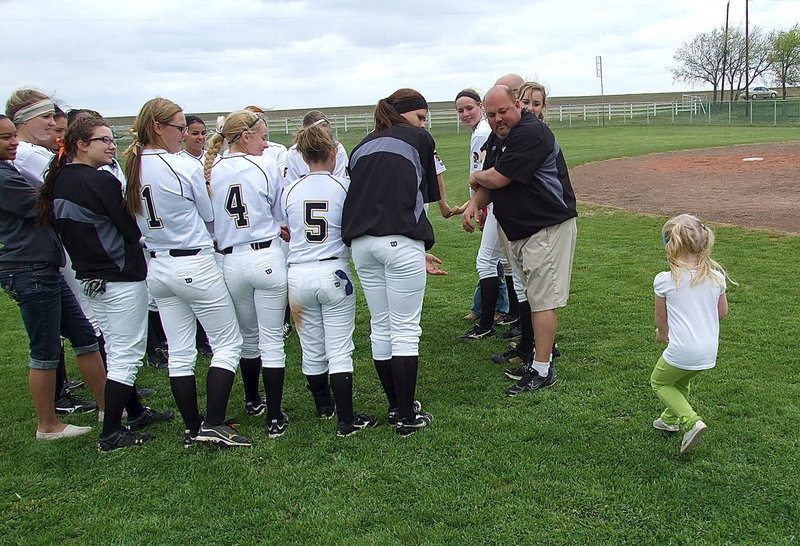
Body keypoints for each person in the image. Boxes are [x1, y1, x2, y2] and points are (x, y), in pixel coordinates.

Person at [36, 114, 173, 451]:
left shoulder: (60, 179)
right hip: (119, 277)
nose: (112, 145)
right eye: (104, 140)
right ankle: (111, 430)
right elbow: (131, 231)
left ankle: (136, 412)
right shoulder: (101, 182)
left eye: (112, 139)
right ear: (82, 145)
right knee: (126, 354)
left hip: (89, 276)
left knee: (115, 347)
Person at [124, 97, 250, 447]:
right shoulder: (180, 165)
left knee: (180, 351)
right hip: (192, 261)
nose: (184, 134)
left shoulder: (133, 165)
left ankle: (193, 426)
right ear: (157, 128)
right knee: (228, 343)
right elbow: (211, 215)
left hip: (159, 264)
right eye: (180, 128)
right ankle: (211, 423)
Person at [342, 88, 445, 436]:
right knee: (404, 329)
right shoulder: (419, 138)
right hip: (400, 241)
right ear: (408, 114)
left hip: (362, 245)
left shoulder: (360, 146)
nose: (423, 123)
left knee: (381, 326)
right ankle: (406, 416)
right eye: (420, 116)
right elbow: (428, 195)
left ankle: (396, 407)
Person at [462, 85, 577, 397]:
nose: (498, 119)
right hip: (521, 227)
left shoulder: (530, 131)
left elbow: (497, 177)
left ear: (517, 105)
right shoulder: (498, 136)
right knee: (529, 294)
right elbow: (491, 177)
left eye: (503, 112)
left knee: (542, 299)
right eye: (492, 114)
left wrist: (476, 178)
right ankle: (538, 357)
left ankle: (543, 368)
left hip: (546, 225)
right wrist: (474, 203)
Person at [0, 114, 106, 441]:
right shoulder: (3, 177)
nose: (13, 141)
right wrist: (69, 179)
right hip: (28, 268)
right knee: (45, 350)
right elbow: (43, 208)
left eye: (11, 135)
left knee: (85, 335)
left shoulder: (10, 169)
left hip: (43, 265)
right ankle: (47, 424)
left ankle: (109, 406)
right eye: (5, 138)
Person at [283, 120, 378, 437]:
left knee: (311, 348)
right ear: (331, 152)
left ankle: (324, 407)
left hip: (296, 273)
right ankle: (346, 421)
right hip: (332, 270)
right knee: (339, 349)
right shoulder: (342, 187)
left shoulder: (291, 189)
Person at [204, 109, 290, 438]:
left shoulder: (212, 168)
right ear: (244, 136)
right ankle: (274, 415)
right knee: (271, 340)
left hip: (230, 260)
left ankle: (254, 399)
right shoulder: (265, 165)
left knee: (247, 339)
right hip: (265, 255)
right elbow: (279, 212)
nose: (266, 144)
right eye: (262, 137)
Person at [651, 214, 731, 455]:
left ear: (670, 245)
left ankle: (690, 421)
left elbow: (661, 318)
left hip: (682, 349)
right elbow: (722, 313)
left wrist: (662, 334)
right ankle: (669, 420)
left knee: (660, 381)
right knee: (680, 381)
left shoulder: (665, 280)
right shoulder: (716, 278)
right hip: (708, 350)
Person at [454, 88, 513, 339]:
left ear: (479, 106)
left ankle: (486, 323)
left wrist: (477, 206)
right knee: (509, 262)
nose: (466, 113)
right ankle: (515, 316)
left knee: (487, 261)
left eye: (469, 108)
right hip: (497, 202)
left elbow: (484, 176)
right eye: (460, 110)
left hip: (495, 202)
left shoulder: (482, 134)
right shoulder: (482, 132)